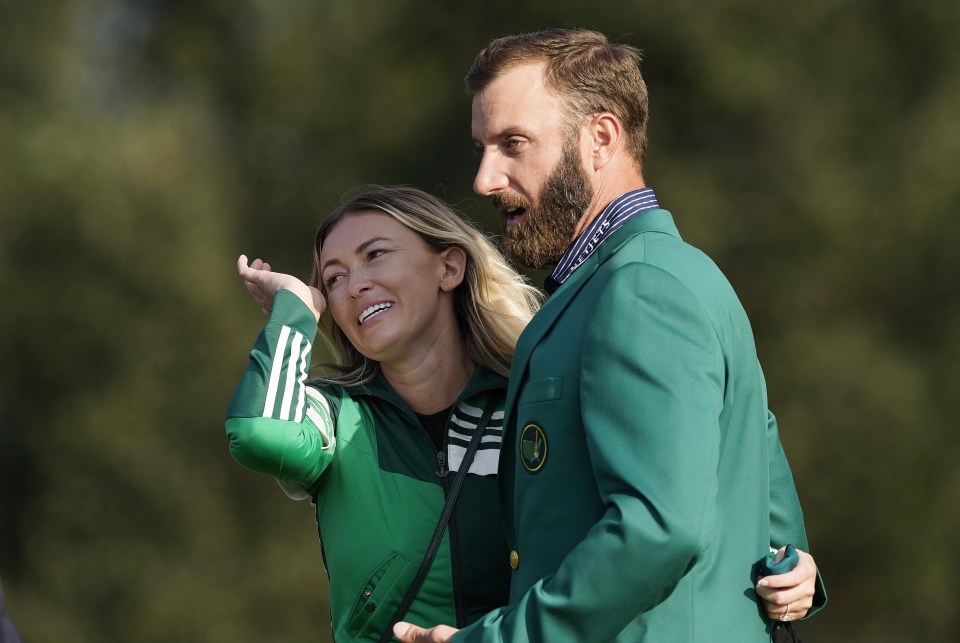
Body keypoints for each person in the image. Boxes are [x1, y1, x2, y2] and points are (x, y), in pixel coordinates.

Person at [395, 29, 826, 643]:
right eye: (482, 148)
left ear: (600, 139)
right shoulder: (670, 275)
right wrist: (793, 570)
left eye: (513, 144)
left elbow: (657, 529)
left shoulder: (641, 289)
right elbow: (767, 504)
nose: (485, 178)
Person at [226, 186, 543, 641]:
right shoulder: (335, 414)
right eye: (333, 280)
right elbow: (257, 432)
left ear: (449, 267)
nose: (355, 287)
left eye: (375, 255)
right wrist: (295, 310)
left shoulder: (529, 401)